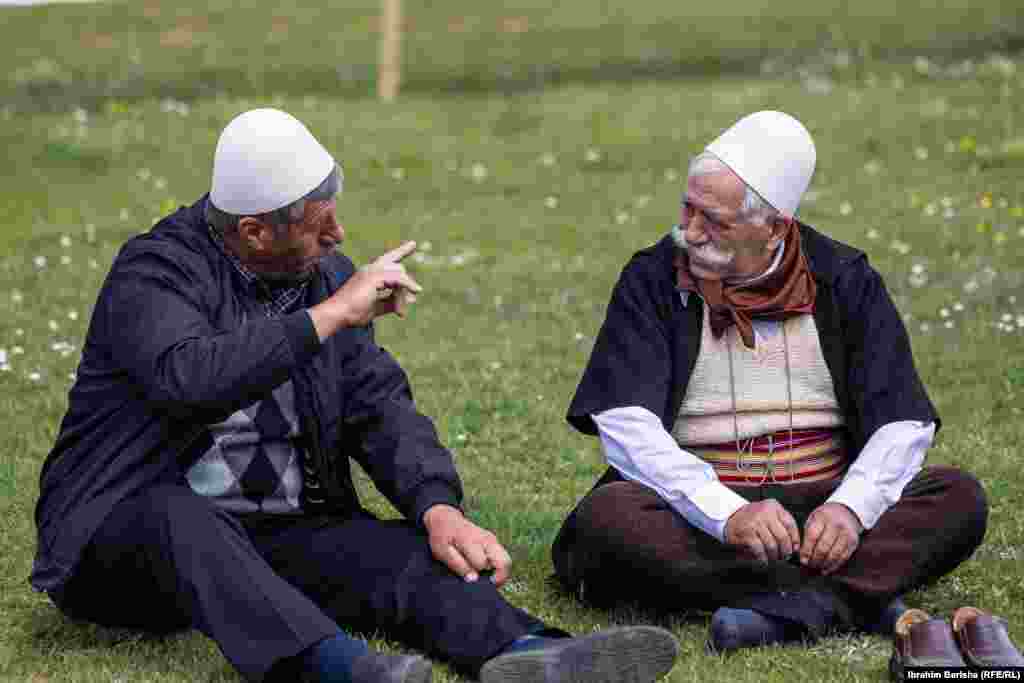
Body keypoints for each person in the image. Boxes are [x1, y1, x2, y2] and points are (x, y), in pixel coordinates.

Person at [30, 108, 680, 683]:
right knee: (179, 516)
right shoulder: (154, 272)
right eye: (317, 225)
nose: (338, 235)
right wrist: (329, 316)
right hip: (124, 543)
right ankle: (335, 666)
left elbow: (378, 405)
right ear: (255, 232)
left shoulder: (323, 278)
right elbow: (190, 376)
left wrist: (436, 506)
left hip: (273, 534)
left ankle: (533, 651)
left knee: (398, 551)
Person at [550, 111, 990, 653]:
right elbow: (625, 424)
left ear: (776, 227)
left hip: (823, 505)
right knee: (608, 521)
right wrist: (727, 513)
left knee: (958, 496)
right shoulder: (653, 276)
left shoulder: (843, 278)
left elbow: (902, 420)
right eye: (687, 208)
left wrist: (851, 509)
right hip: (700, 515)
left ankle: (781, 613)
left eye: (715, 220)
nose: (690, 231)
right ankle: (855, 597)